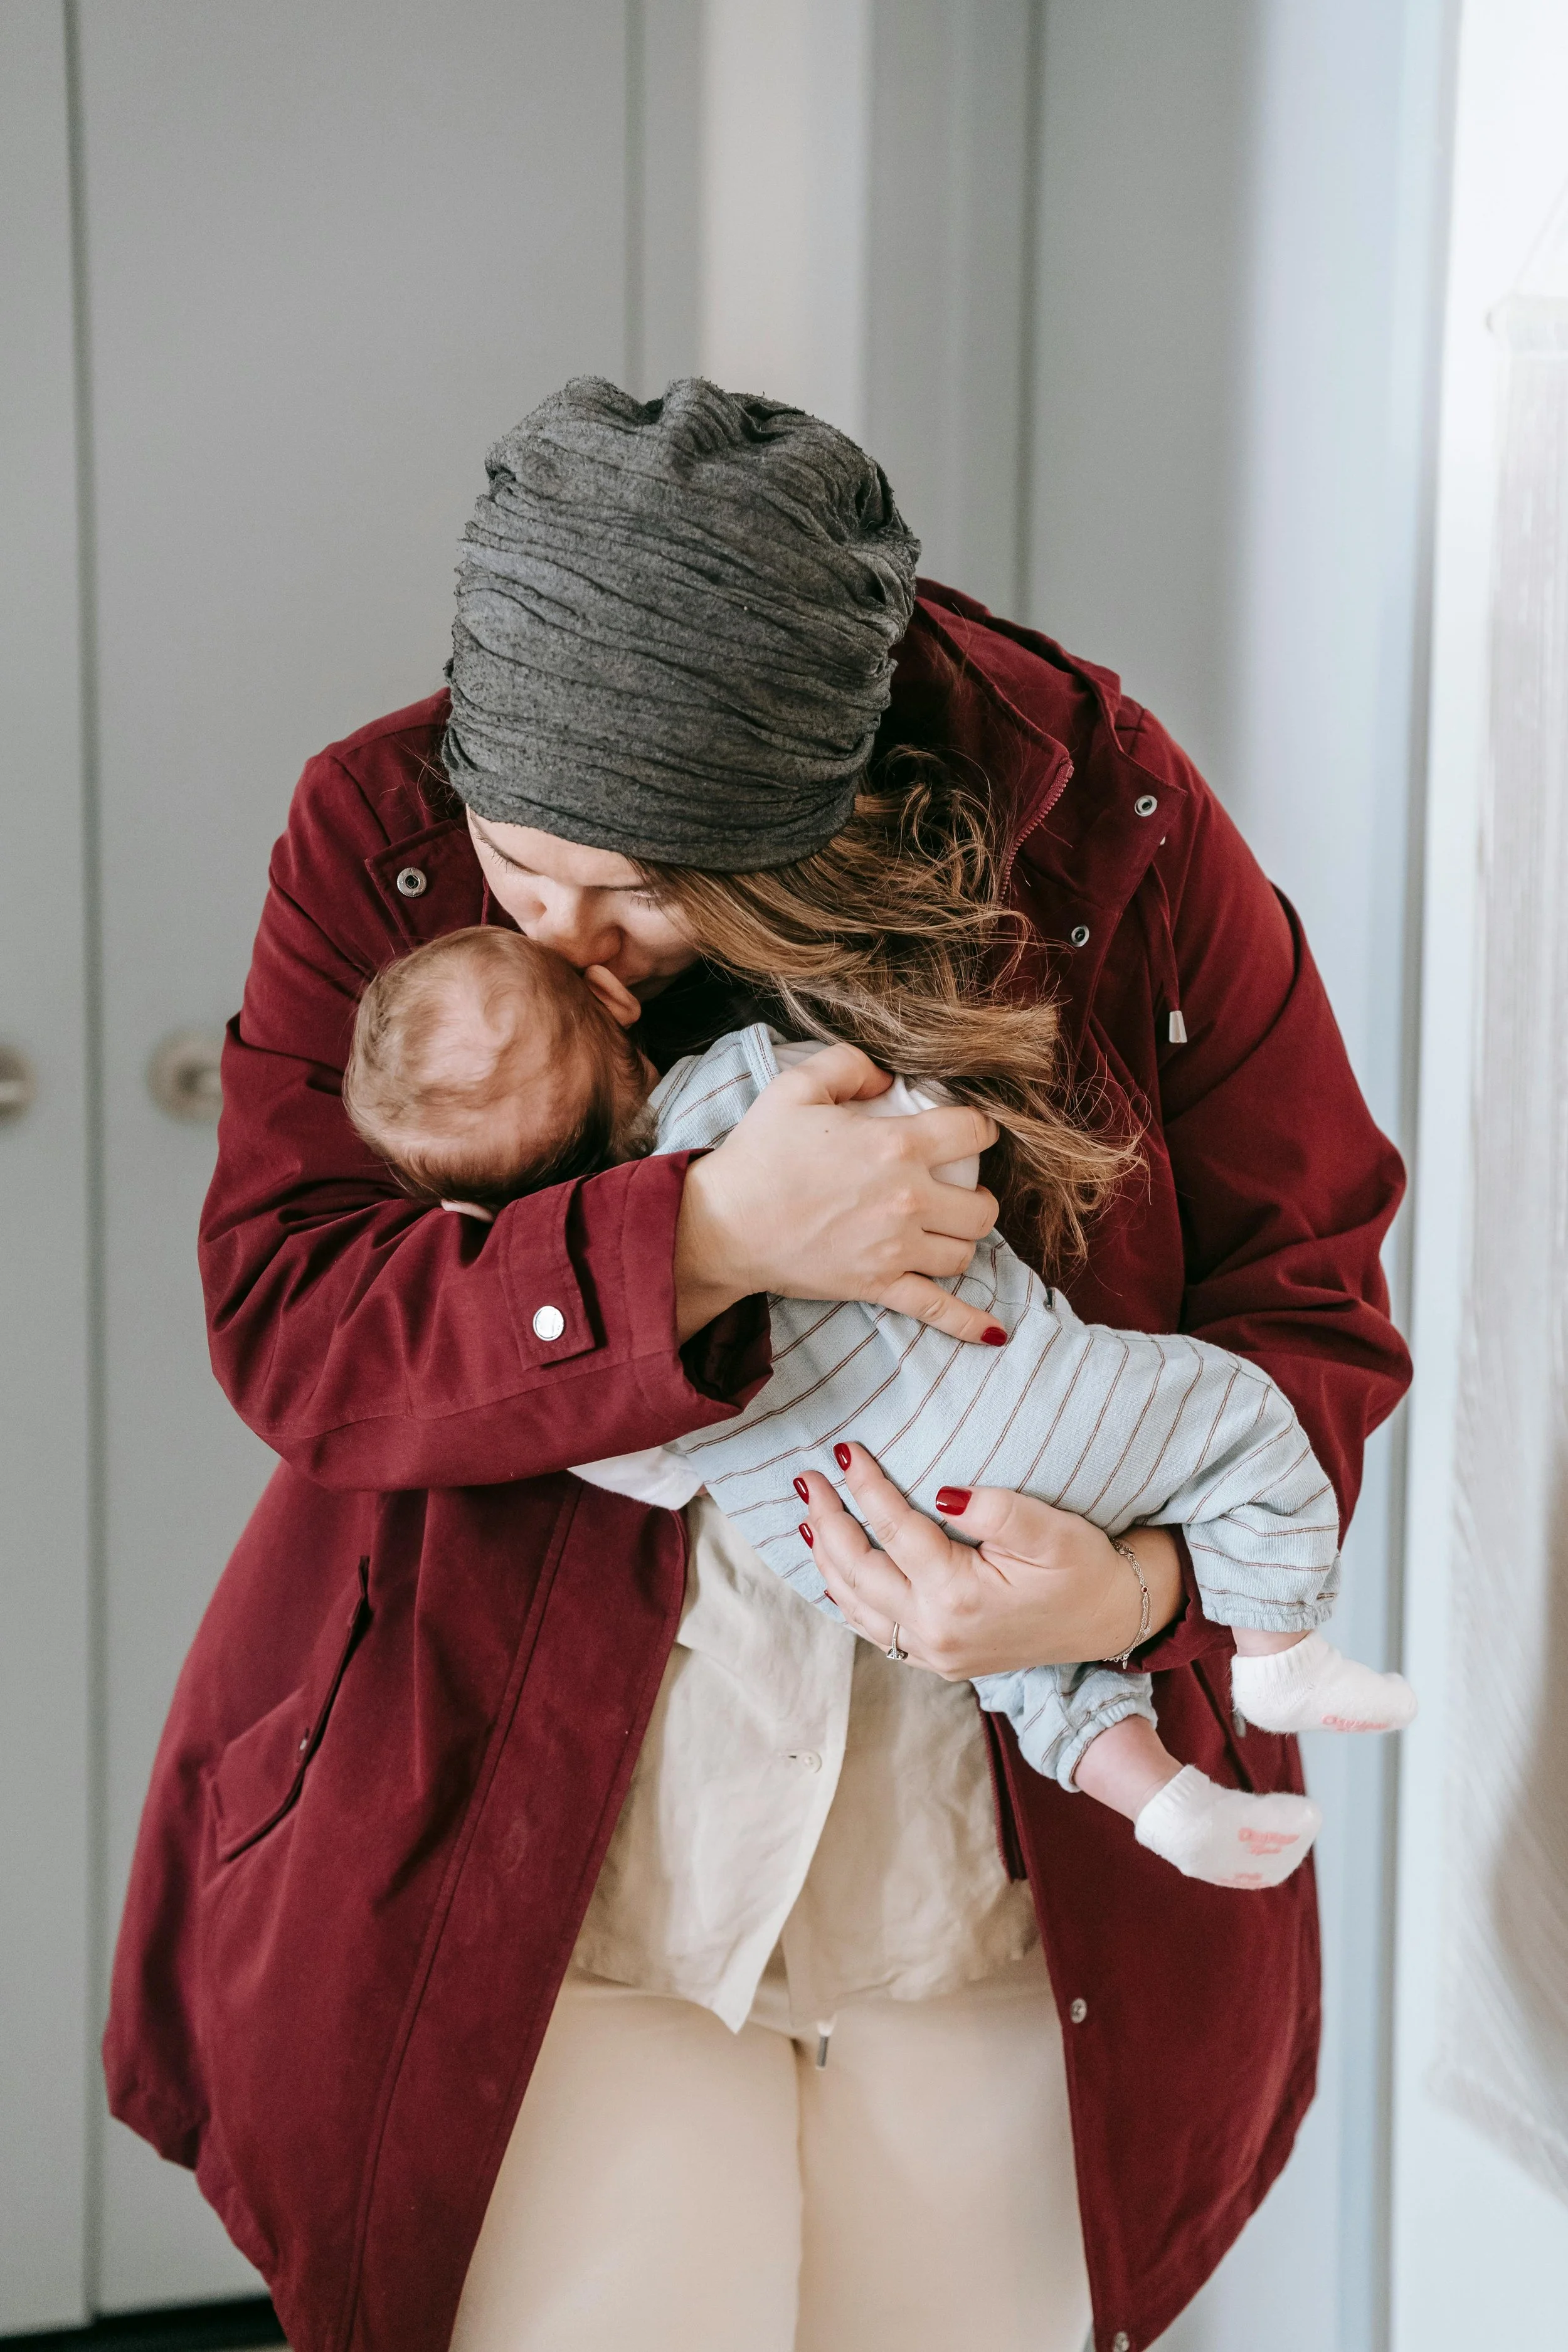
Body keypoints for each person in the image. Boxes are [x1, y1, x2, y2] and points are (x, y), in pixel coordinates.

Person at [104, 379, 1411, 2352]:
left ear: (820, 818)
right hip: (552, 1877)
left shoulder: (1110, 831)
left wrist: (1131, 1592)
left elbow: (1304, 1299)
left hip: (984, 1887)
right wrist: (704, 1238)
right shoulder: (378, 828)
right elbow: (299, 1319)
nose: (567, 937)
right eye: (528, 863)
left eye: (645, 890)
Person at [344, 922, 1416, 1892]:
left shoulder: (603, 1336)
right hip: (1014, 1404)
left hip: (845, 1546)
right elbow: (941, 1147)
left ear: (470, 1211)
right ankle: (1280, 1656)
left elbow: (649, 1465)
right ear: (619, 1005)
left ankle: (1167, 1805)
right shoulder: (758, 1083)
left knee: (1027, 1670)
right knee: (1246, 1423)